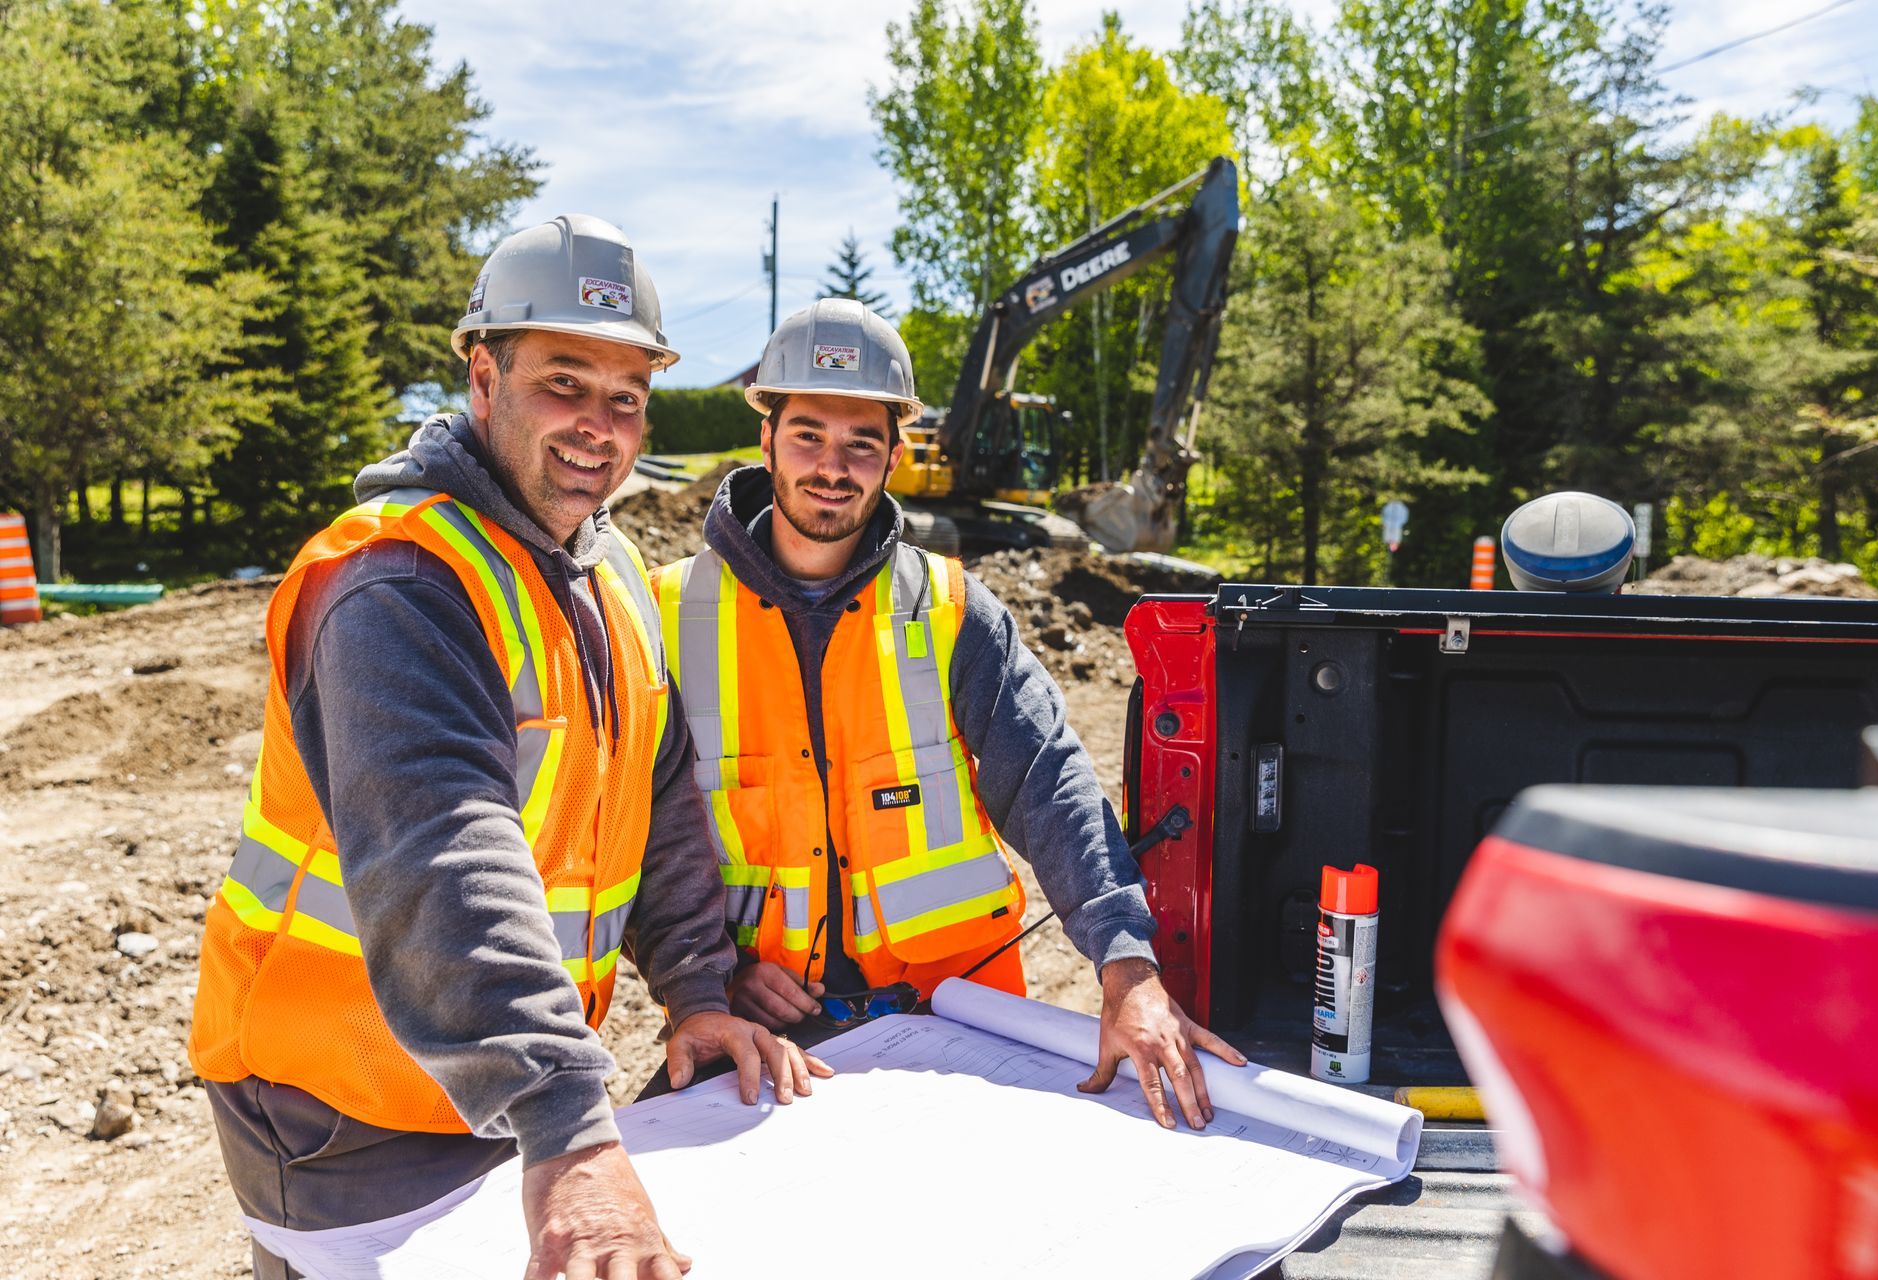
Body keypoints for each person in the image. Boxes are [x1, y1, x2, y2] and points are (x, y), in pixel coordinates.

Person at [188, 214, 826, 1280]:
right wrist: (570, 1125)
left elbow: (655, 796)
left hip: (489, 1077)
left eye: (627, 398)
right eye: (564, 383)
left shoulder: (606, 570)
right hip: (346, 1111)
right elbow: (444, 852)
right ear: (483, 376)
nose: (600, 426)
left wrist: (696, 987)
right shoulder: (400, 584)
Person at [649, 299, 1245, 1130]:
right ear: (766, 439)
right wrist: (703, 980)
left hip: (957, 1020)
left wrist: (1126, 964)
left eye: (862, 441)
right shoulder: (669, 615)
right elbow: (647, 831)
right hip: (769, 1028)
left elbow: (1049, 780)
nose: (833, 464)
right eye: (809, 433)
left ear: (896, 453)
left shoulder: (950, 607)